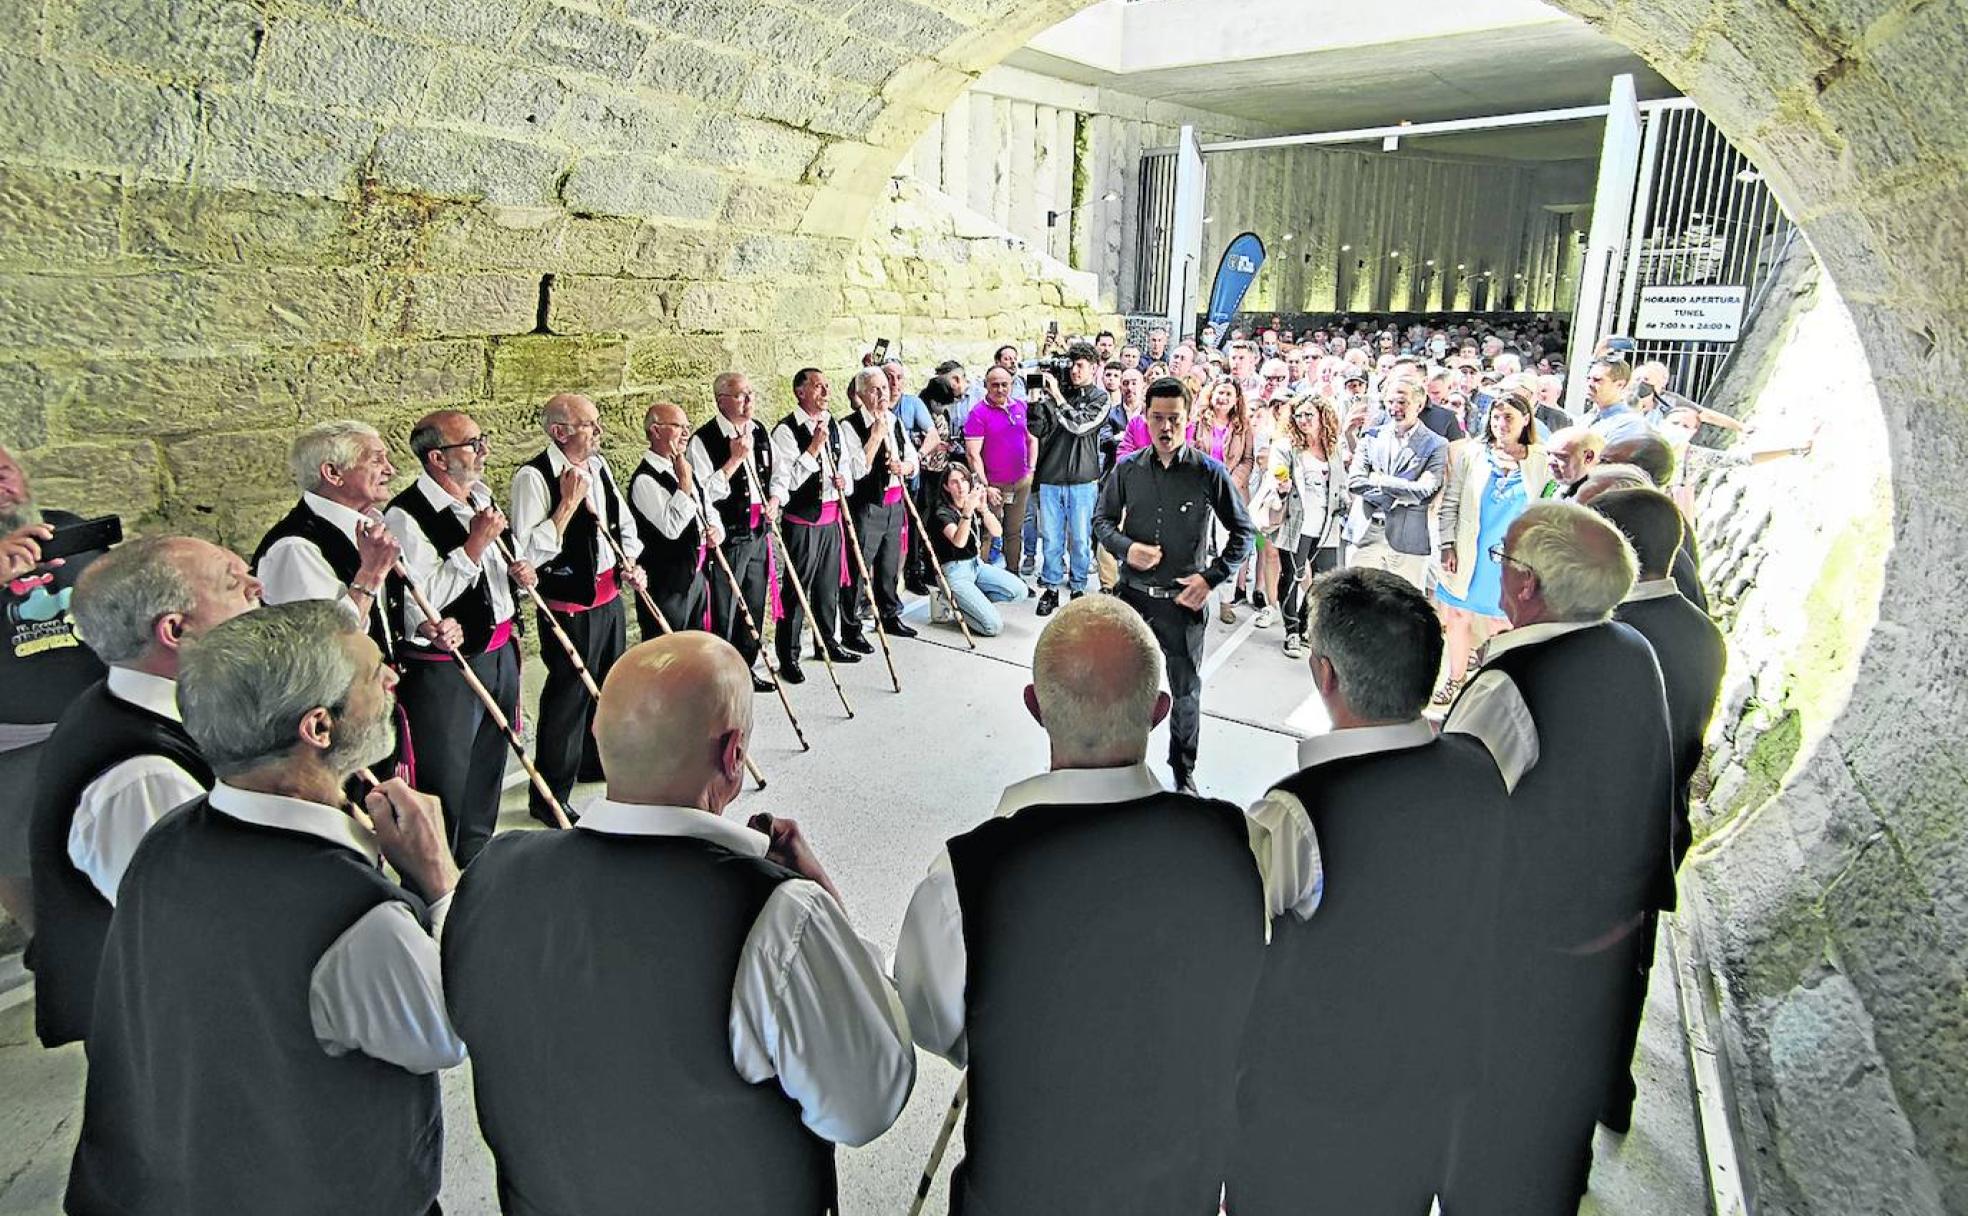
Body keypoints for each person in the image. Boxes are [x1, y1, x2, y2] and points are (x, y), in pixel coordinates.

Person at [444, 632, 913, 1213]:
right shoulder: (777, 914)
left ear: (598, 736)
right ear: (733, 754)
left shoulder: (490, 876)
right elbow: (869, 1103)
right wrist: (822, 905)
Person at [895, 597, 1303, 1213]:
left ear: (1034, 707)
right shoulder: (1241, 843)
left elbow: (934, 1023)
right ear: (1161, 713)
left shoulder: (966, 876)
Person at [68, 601, 464, 1215]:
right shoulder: (355, 917)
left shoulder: (166, 837)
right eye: (370, 674)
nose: (392, 676)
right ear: (319, 727)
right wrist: (439, 881)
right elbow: (443, 1035)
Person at [1229, 569, 1509, 1214]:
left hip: (1306, 1109)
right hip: (1431, 1093)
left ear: (1325, 674)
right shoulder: (1478, 766)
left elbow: (1230, 939)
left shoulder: (1297, 816)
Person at [1442, 502, 1675, 1215]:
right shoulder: (1633, 650)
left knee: (1488, 1140)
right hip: (1605, 947)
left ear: (1529, 587)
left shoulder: (1511, 685)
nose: (1499, 573)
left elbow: (1453, 825)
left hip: (1519, 958)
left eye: (1503, 560)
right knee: (1557, 1132)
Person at [25, 537, 260, 1048]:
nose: (256, 588)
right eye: (232, 583)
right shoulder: (143, 776)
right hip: (172, 1035)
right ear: (174, 631)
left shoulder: (149, 701)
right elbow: (195, 937)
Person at [1589, 485, 1728, 1132]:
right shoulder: (1705, 635)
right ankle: (1614, 1089)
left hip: (1602, 840)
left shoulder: (1610, 637)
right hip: (1660, 830)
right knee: (1633, 965)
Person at [1093, 377, 1255, 794]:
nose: (1165, 428)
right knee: (1122, 684)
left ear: (1188, 419)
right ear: (1144, 419)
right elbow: (1101, 522)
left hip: (1183, 605)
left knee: (1185, 693)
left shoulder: (1208, 472)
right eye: (1157, 418)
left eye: (1174, 419)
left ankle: (1183, 774)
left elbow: (1243, 533)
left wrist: (1211, 578)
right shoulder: (1127, 469)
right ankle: (1120, 765)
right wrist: (1127, 549)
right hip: (1132, 599)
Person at [386, 410, 532, 865]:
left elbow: (488, 579)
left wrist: (516, 574)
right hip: (446, 666)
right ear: (437, 458)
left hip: (500, 648)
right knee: (448, 771)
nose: (483, 449)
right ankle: (440, 868)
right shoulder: (406, 515)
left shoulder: (479, 497)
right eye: (471, 443)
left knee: (490, 757)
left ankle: (477, 850)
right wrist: (474, 545)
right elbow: (421, 598)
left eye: (480, 439)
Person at [512, 393, 642, 823]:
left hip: (607, 596)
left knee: (607, 685)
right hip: (568, 603)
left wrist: (629, 562)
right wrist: (566, 505)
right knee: (568, 696)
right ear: (560, 431)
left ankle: (591, 762)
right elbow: (529, 552)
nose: (598, 431)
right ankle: (549, 793)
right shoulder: (534, 478)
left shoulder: (599, 466)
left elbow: (622, 523)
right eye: (589, 424)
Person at [0, 444, 112, 934]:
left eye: (4, 473)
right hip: (15, 756)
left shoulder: (66, 526)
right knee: (34, 887)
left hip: (101, 727)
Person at [253, 420, 404, 673]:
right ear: (333, 473)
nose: (390, 470)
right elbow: (323, 644)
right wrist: (370, 575)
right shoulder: (294, 548)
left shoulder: (370, 526)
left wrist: (421, 626)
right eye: (376, 461)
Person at [1435, 390, 1552, 705]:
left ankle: (1490, 687)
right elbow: (1451, 502)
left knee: (1501, 622)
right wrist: (1447, 544)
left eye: (1509, 417)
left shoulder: (1540, 460)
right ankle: (1455, 678)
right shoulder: (1473, 453)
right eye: (1496, 417)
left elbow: (1549, 507)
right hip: (1469, 550)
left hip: (1511, 559)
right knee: (1458, 616)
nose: (1501, 423)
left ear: (1526, 420)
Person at [769, 368, 859, 682]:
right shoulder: (785, 430)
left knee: (827, 587)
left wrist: (843, 482)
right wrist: (813, 449)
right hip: (802, 522)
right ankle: (788, 656)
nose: (825, 392)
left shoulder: (832, 423)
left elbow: (846, 466)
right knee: (796, 591)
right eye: (818, 387)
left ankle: (827, 642)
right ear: (800, 391)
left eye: (826, 386)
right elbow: (787, 481)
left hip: (832, 519)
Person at [689, 371, 777, 693]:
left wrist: (775, 500)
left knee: (753, 603)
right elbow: (703, 493)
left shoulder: (760, 431)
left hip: (758, 531)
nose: (749, 400)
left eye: (751, 393)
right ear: (721, 400)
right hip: (729, 533)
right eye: (741, 395)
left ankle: (746, 668)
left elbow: (773, 475)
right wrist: (734, 460)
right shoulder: (704, 439)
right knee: (726, 607)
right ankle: (722, 676)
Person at [1261, 395, 1349, 660]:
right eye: (1298, 415)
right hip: (1296, 523)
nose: (1303, 421)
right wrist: (1282, 484)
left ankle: (1304, 623)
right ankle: (1290, 629)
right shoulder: (1286, 446)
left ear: (1323, 416)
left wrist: (1345, 500)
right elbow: (1277, 471)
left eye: (1309, 415)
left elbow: (1340, 482)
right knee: (1291, 577)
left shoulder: (1332, 447)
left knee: (1324, 579)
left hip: (1327, 524)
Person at [1029, 342, 1112, 615]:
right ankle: (1051, 588)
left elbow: (1080, 426)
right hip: (1051, 477)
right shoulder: (1053, 395)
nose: (1074, 371)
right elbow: (1037, 429)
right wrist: (1036, 401)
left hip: (1082, 480)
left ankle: (1077, 587)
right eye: (1072, 365)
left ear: (1094, 368)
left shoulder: (1100, 398)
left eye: (1080, 366)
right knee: (1051, 538)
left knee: (1079, 538)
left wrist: (1058, 398)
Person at [840, 366, 920, 644]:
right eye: (875, 389)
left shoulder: (894, 420)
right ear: (861, 394)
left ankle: (889, 615)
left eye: (884, 388)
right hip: (867, 506)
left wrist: (906, 466)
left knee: (888, 565)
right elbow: (857, 470)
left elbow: (911, 455)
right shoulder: (849, 426)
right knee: (859, 566)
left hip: (895, 503)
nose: (882, 393)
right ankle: (850, 628)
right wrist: (875, 436)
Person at [1344, 377, 1448, 591]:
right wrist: (1397, 495)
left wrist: (1381, 480)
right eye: (1390, 402)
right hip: (1366, 531)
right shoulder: (1371, 436)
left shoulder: (1436, 444)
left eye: (1402, 402)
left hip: (1408, 537)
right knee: (1358, 604)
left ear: (1419, 405)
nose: (1394, 408)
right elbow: (1355, 482)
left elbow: (1425, 490)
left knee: (1404, 609)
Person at [628, 401, 718, 641]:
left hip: (695, 574)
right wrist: (684, 484)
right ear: (656, 431)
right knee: (669, 649)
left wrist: (715, 529)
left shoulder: (680, 466)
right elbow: (671, 528)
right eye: (678, 426)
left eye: (687, 426)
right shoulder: (645, 480)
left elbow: (705, 507)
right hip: (666, 585)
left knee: (695, 642)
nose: (686, 432)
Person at [928, 463, 1029, 636]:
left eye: (964, 480)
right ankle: (953, 601)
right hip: (954, 572)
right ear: (946, 487)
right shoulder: (942, 513)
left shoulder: (973, 505)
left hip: (976, 565)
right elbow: (959, 542)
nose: (961, 487)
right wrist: (967, 512)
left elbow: (997, 531)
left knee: (1020, 591)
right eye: (954, 482)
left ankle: (970, 602)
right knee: (992, 627)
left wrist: (983, 509)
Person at [1191, 378, 1257, 625]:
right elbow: (1190, 450)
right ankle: (1197, 596)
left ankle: (1226, 600)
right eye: (1220, 392)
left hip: (1230, 492)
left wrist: (1229, 482)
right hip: (1200, 490)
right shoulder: (1199, 421)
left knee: (1226, 547)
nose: (1223, 398)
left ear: (1236, 399)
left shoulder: (1243, 427)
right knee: (1197, 545)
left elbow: (1247, 460)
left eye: (1229, 394)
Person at [963, 365, 1035, 575]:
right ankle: (982, 577)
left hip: (1020, 482)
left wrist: (1031, 469)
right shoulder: (978, 413)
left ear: (1011, 385)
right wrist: (985, 486)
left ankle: (1013, 574)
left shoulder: (1021, 407)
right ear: (986, 386)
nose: (1000, 389)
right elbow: (972, 454)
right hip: (993, 486)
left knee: (1014, 531)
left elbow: (1032, 439)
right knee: (988, 532)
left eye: (1005, 384)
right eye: (995, 385)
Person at [1585, 359, 1652, 445]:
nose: (1590, 384)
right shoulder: (1586, 419)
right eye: (1588, 378)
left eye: (1597, 380)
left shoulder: (1629, 424)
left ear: (1620, 385)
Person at [1545, 425, 1605, 498]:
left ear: (1588, 457)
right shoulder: (1553, 483)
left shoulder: (1599, 498)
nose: (1550, 462)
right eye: (1548, 454)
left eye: (1561, 456)